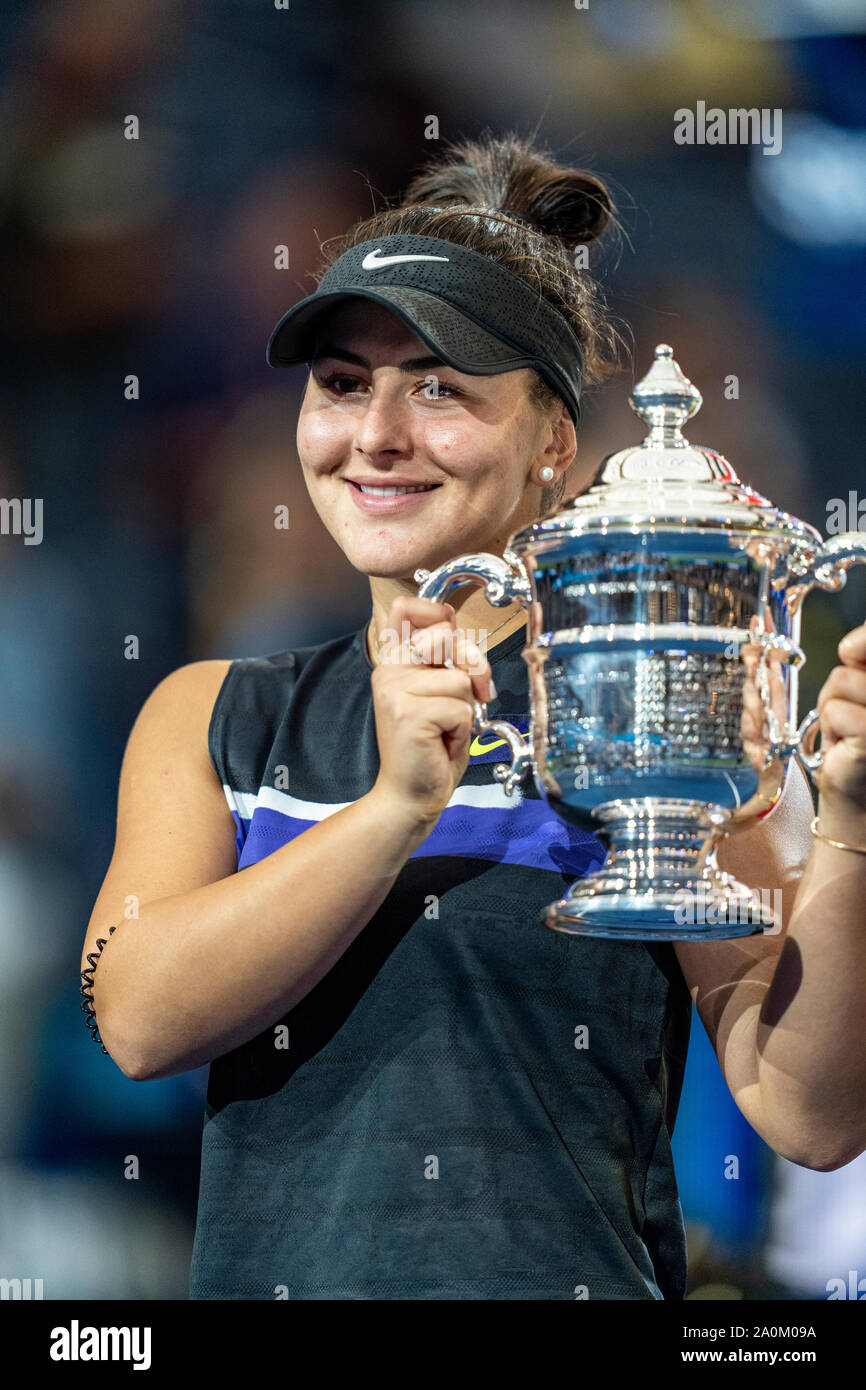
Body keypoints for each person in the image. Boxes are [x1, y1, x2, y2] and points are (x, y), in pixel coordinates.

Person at [80, 133, 866, 1301]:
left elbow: (806, 1111)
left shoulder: (653, 695)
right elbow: (138, 1018)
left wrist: (848, 825)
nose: (377, 434)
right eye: (342, 384)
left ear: (554, 444)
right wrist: (393, 809)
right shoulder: (213, 713)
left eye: (439, 388)